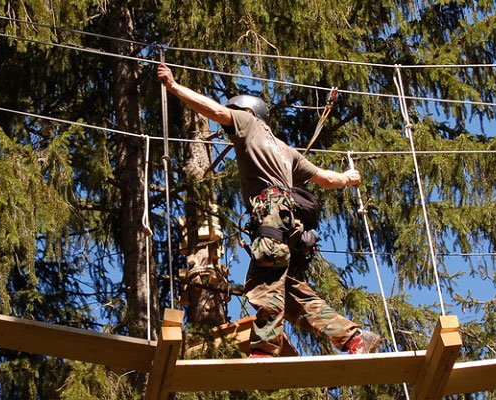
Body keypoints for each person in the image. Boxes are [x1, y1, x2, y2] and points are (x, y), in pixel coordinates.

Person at [157, 64, 382, 358]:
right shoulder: (286, 150)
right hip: (292, 227)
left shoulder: (248, 124)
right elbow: (326, 179)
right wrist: (349, 178)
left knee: (264, 284)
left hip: (272, 217)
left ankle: (264, 347)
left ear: (246, 112)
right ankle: (354, 339)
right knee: (290, 295)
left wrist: (174, 87)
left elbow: (215, 112)